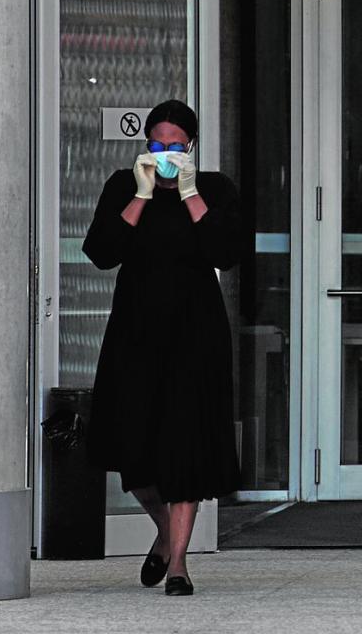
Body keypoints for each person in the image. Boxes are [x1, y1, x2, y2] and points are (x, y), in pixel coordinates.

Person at [83, 99, 243, 596]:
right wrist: (143, 195)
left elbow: (226, 252)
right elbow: (102, 252)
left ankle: (178, 564)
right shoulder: (123, 186)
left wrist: (191, 193)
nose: (167, 153)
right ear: (145, 145)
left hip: (196, 334)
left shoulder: (215, 189)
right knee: (135, 450)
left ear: (191, 146)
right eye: (158, 145)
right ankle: (162, 534)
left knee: (186, 447)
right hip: (136, 332)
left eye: (176, 146)